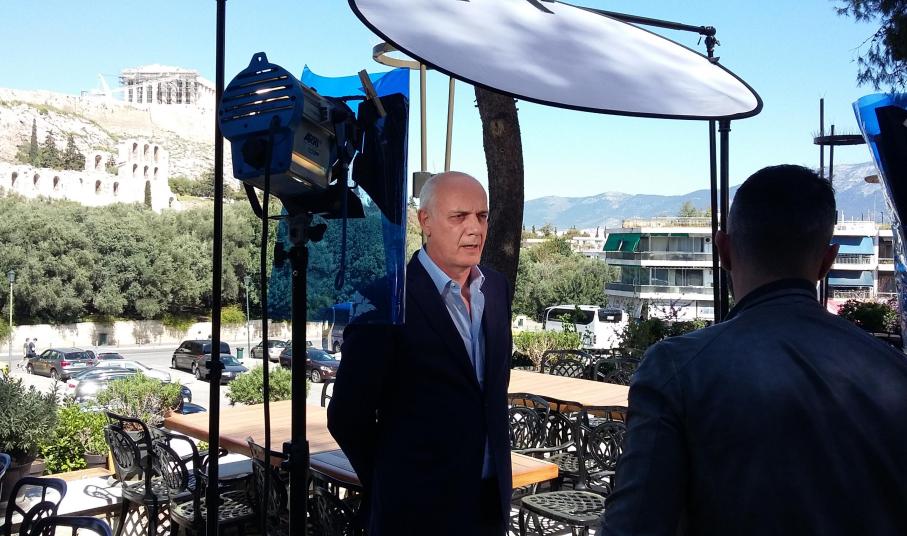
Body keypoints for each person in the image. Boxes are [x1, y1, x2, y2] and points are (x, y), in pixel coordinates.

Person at [601, 165, 907, 535]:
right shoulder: (894, 371)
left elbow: (633, 526)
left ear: (724, 251)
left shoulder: (677, 370)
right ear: (827, 261)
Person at [328, 171, 513, 535]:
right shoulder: (383, 299)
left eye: (482, 216)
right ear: (425, 221)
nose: (475, 229)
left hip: (489, 508)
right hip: (414, 515)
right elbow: (348, 416)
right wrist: (393, 484)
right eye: (459, 217)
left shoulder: (496, 289)